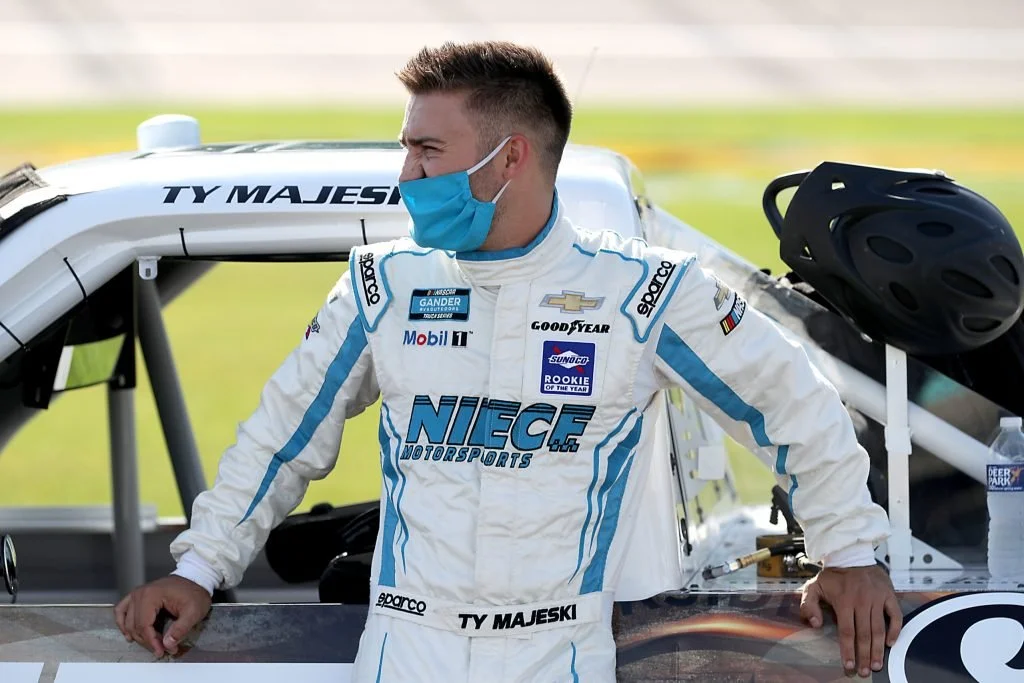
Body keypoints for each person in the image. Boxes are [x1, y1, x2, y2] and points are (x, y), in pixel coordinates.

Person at [115, 41, 902, 681]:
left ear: (509, 157)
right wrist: (200, 567)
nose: (406, 175)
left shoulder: (643, 292)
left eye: (427, 150)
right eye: (407, 149)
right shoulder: (382, 285)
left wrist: (849, 551)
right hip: (404, 649)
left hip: (557, 653)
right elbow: (280, 437)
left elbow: (791, 398)